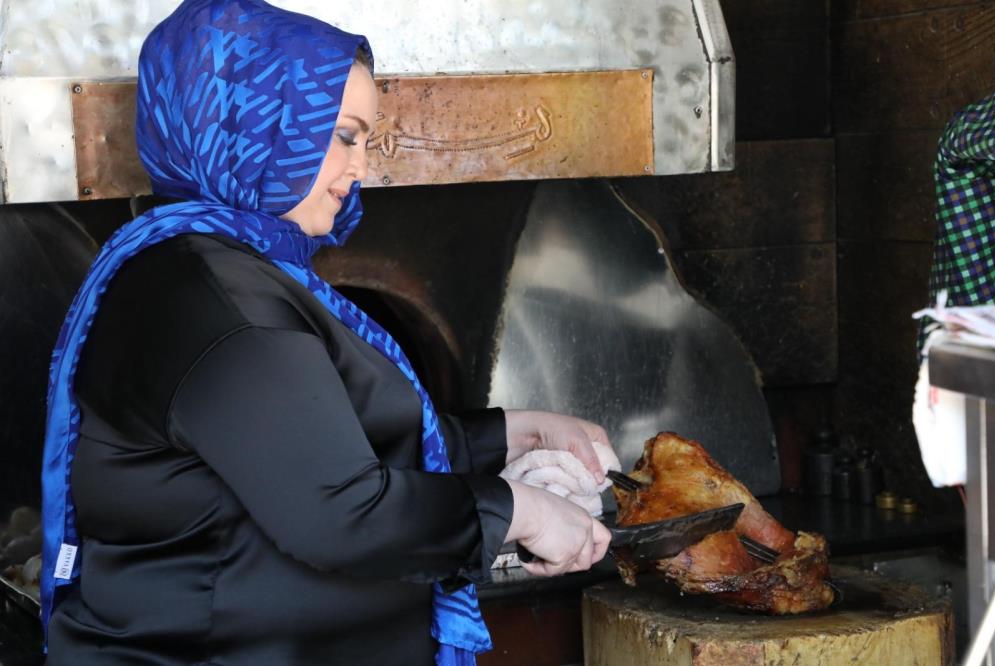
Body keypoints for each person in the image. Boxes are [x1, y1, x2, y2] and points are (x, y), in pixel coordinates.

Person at [39, 1, 614, 664]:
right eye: (343, 134)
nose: (358, 169)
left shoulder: (208, 269)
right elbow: (344, 513)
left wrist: (515, 430)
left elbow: (325, 449)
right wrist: (523, 512)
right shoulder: (219, 303)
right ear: (257, 123)